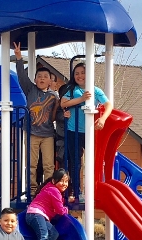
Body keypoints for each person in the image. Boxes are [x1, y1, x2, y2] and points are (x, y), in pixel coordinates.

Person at [58, 63, 109, 204]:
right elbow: (63, 103)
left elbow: (108, 105)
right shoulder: (72, 89)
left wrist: (103, 119)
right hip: (72, 130)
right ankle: (77, 190)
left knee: (94, 160)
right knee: (75, 162)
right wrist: (81, 99)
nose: (80, 76)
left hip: (88, 131)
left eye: (83, 72)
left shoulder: (95, 90)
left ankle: (96, 188)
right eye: (77, 73)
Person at [13, 44, 60, 191]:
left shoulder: (54, 96)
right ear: (35, 79)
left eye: (45, 77)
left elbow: (57, 112)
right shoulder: (30, 89)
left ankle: (48, 189)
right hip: (32, 132)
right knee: (32, 163)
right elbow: (21, 75)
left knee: (48, 164)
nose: (42, 79)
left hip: (47, 134)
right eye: (39, 76)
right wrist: (19, 57)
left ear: (50, 81)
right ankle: (32, 189)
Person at [25, 169, 72, 240]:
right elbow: (60, 210)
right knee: (44, 234)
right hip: (35, 214)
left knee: (54, 233)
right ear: (54, 181)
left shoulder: (51, 189)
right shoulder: (54, 190)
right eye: (62, 181)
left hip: (40, 215)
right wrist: (67, 209)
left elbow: (57, 204)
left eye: (66, 181)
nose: (64, 184)